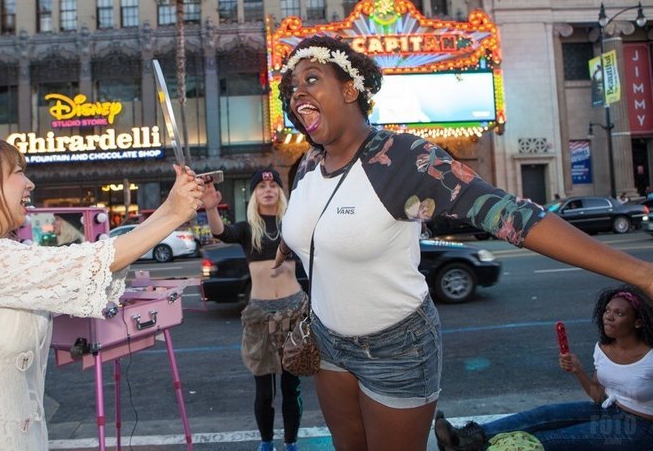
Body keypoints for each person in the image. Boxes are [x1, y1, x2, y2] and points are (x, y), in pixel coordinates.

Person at [272, 35, 653, 451]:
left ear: (350, 89)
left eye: (311, 79)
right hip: (327, 340)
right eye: (291, 88)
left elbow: (513, 216)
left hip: (396, 348)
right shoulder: (309, 163)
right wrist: (292, 241)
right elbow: (317, 220)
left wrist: (639, 273)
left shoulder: (403, 158)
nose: (297, 93)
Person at [0, 114, 205, 450]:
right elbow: (87, 263)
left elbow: (88, 268)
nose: (30, 184)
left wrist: (172, 210)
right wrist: (173, 212)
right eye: (17, 172)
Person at [434, 284, 653, 450]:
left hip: (641, 427)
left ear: (638, 322)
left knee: (553, 439)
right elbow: (598, 395)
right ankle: (465, 438)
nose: (608, 317)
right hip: (606, 410)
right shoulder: (603, 348)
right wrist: (578, 370)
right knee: (542, 415)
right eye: (607, 310)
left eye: (619, 313)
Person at [201, 168, 306, 451]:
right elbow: (221, 232)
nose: (267, 190)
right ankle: (267, 443)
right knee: (264, 392)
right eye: (261, 187)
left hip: (294, 313)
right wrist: (210, 208)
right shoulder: (248, 229)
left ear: (281, 192)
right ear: (254, 194)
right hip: (259, 316)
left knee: (291, 387)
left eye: (272, 186)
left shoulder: (292, 224)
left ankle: (291, 443)